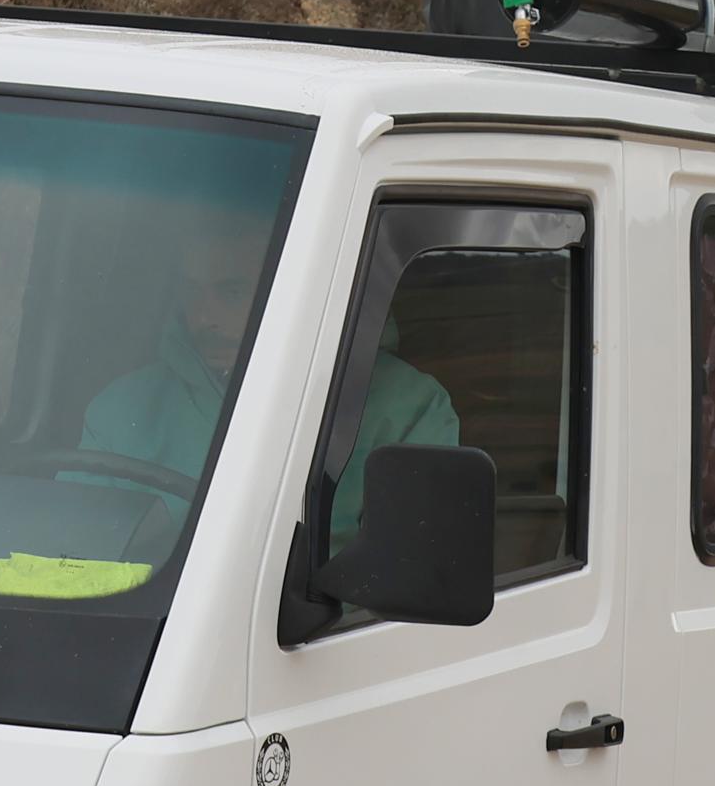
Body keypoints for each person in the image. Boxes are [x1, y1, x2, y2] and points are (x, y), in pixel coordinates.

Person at [82, 204, 457, 540]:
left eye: (230, 292)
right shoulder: (123, 408)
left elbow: (408, 579)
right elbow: (79, 552)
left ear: (293, 289)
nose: (203, 317)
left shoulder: (409, 406)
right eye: (192, 291)